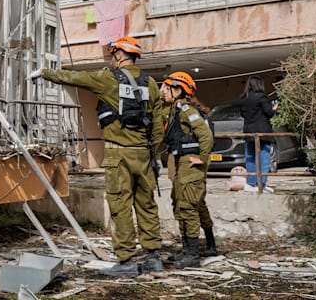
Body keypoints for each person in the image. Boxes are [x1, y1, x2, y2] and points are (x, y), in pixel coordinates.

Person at [29, 36, 165, 276]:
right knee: (146, 204)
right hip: (144, 154)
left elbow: (74, 78)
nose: (112, 60)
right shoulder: (151, 84)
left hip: (118, 153)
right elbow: (157, 122)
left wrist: (45, 72)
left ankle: (127, 262)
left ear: (120, 55)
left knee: (120, 206)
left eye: (113, 55)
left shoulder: (108, 78)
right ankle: (154, 257)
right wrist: (155, 154)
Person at [160, 72, 215, 268]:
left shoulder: (185, 109)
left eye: (167, 87)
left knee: (189, 206)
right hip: (181, 160)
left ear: (179, 90)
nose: (164, 91)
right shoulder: (174, 109)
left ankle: (193, 255)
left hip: (190, 163)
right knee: (180, 204)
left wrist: (201, 158)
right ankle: (187, 250)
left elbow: (206, 136)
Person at [239, 75, 278, 192]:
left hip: (248, 131)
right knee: (263, 158)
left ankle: (250, 183)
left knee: (250, 157)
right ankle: (261, 184)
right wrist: (275, 107)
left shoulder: (243, 98)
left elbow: (243, 114)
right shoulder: (261, 97)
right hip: (262, 132)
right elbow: (269, 112)